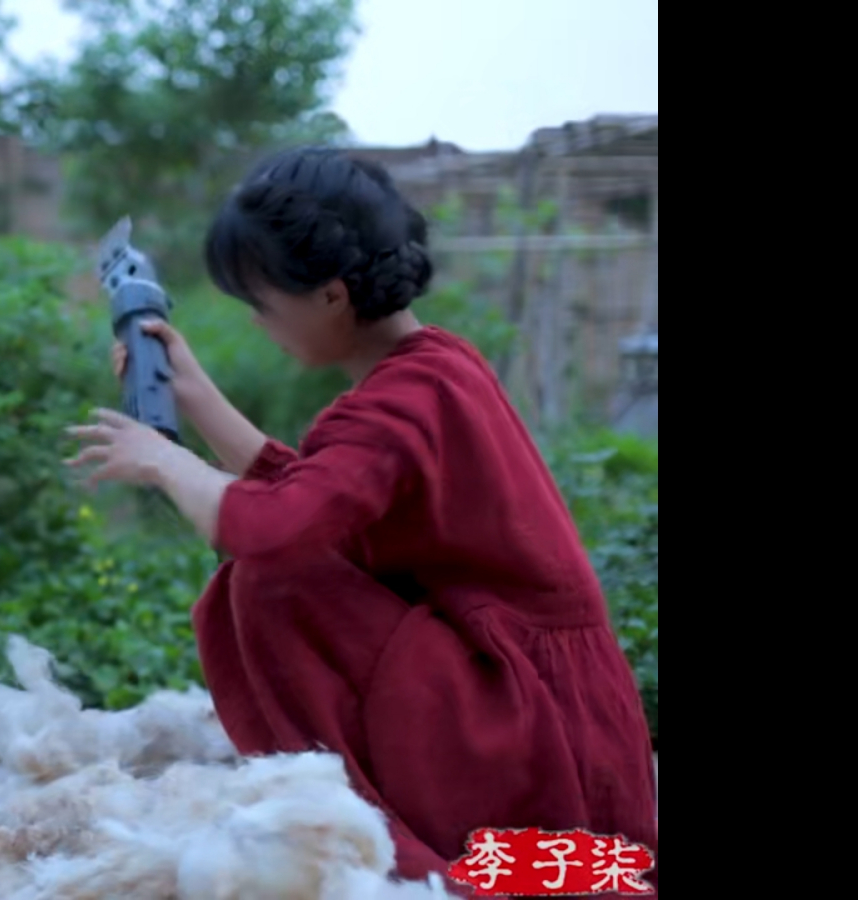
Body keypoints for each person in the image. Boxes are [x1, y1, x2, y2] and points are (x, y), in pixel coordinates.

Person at [65, 147, 657, 897]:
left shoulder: (400, 403)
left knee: (270, 582)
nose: (258, 322)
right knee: (287, 564)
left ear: (333, 296)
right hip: (540, 708)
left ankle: (414, 856)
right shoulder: (433, 368)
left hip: (529, 726)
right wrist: (194, 394)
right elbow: (311, 501)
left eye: (264, 304)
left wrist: (164, 462)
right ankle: (443, 847)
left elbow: (273, 529)